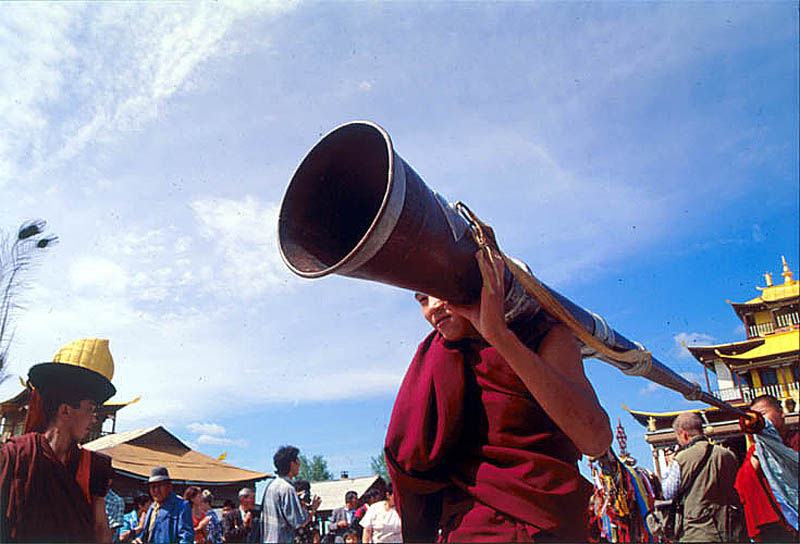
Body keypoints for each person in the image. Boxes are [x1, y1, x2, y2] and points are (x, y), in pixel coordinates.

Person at [385, 248, 612, 542]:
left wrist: (499, 336)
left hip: (545, 526)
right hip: (471, 529)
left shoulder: (542, 337)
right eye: (422, 299)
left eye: (439, 292)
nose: (432, 308)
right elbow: (409, 458)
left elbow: (595, 439)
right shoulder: (438, 354)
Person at [0, 338, 118, 542]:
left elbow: (100, 529)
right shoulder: (14, 456)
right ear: (65, 410)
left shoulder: (93, 466)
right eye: (90, 409)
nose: (94, 419)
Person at [661, 412, 743, 542]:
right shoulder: (727, 454)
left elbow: (668, 492)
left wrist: (669, 465)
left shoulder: (682, 458)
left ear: (684, 434)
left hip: (698, 529)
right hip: (730, 526)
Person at [735, 395, 799, 542]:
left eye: (762, 414)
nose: (759, 420)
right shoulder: (757, 452)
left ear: (781, 413)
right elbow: (743, 485)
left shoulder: (795, 439)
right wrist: (758, 458)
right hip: (779, 527)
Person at [260, 445, 321, 543]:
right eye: (297, 460)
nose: (299, 464)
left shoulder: (271, 486)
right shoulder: (287, 488)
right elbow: (299, 522)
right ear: (291, 464)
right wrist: (313, 508)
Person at [138, 466, 193, 544]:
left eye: (160, 486)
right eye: (153, 487)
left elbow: (186, 538)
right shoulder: (152, 508)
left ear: (169, 487)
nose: (156, 490)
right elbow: (146, 535)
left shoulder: (181, 506)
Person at [293, 480, 320, 544]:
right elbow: (301, 524)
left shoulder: (311, 510)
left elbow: (316, 532)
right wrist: (313, 511)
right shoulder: (292, 510)